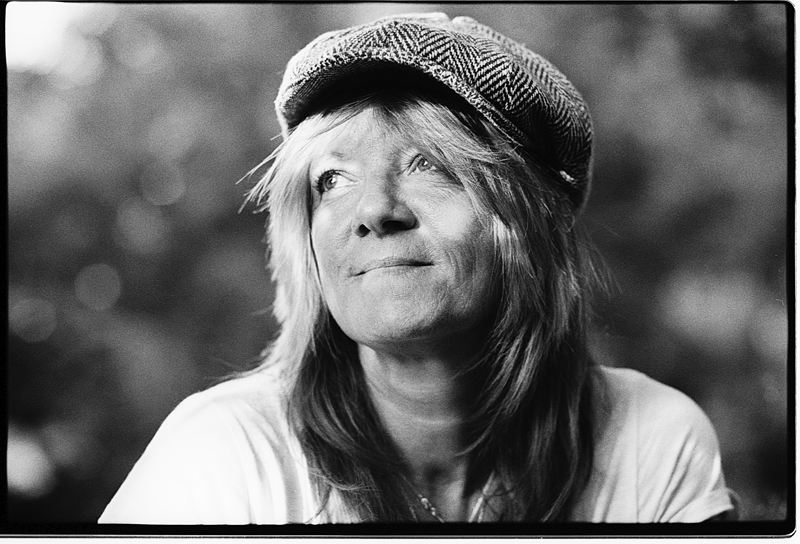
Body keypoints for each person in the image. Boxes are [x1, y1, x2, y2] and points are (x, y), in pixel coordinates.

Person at [99, 12, 735, 524]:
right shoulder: (222, 459)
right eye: (333, 178)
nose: (374, 211)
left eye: (430, 164)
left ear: (534, 220)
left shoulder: (653, 441)